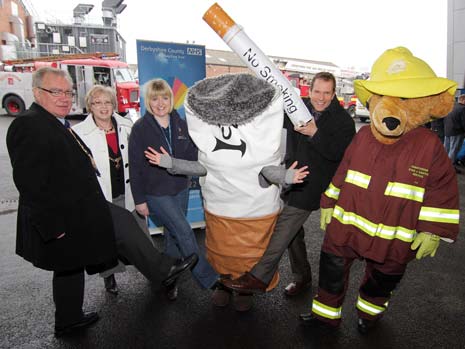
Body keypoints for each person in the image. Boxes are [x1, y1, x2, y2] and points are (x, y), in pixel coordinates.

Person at [6, 67, 198, 337]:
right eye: (55, 92)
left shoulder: (53, 121)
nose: (63, 98)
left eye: (68, 92)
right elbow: (30, 183)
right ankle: (162, 269)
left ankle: (68, 319)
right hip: (62, 215)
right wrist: (52, 226)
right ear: (37, 92)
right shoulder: (29, 124)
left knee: (68, 265)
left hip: (75, 207)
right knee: (119, 224)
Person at [145, 73, 309, 311]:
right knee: (219, 252)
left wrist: (286, 177)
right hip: (219, 207)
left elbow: (267, 170)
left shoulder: (258, 148)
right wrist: (170, 163)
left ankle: (245, 290)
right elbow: (202, 167)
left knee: (249, 255)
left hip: (253, 212)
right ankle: (223, 284)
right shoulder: (208, 146)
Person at [220, 72, 356, 295]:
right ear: (309, 90)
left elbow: (338, 154)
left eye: (326, 93)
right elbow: (268, 115)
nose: (321, 98)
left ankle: (258, 277)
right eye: (317, 92)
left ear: (334, 94)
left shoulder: (344, 121)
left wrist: (315, 132)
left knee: (284, 225)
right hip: (290, 178)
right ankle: (303, 278)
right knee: (294, 234)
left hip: (315, 184)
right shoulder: (297, 107)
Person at [129, 78, 218, 301]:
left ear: (171, 99)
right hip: (156, 192)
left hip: (180, 188)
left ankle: (167, 278)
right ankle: (209, 280)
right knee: (184, 231)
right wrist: (139, 199)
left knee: (172, 237)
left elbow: (190, 158)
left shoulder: (181, 124)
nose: (160, 103)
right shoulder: (140, 128)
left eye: (165, 97)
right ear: (148, 102)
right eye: (155, 98)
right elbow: (136, 167)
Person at [72, 85, 150, 295]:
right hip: (101, 196)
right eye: (98, 102)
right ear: (90, 106)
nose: (103, 107)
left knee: (141, 236)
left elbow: (140, 161)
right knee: (105, 239)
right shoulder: (78, 133)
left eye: (107, 102)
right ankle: (110, 277)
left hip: (129, 192)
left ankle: (156, 273)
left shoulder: (127, 126)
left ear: (114, 105)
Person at [443, 94, 465, 173]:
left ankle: (442, 165)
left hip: (448, 130)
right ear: (463, 100)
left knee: (446, 149)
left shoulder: (452, 106)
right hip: (457, 132)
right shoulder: (462, 109)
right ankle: (449, 167)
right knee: (454, 150)